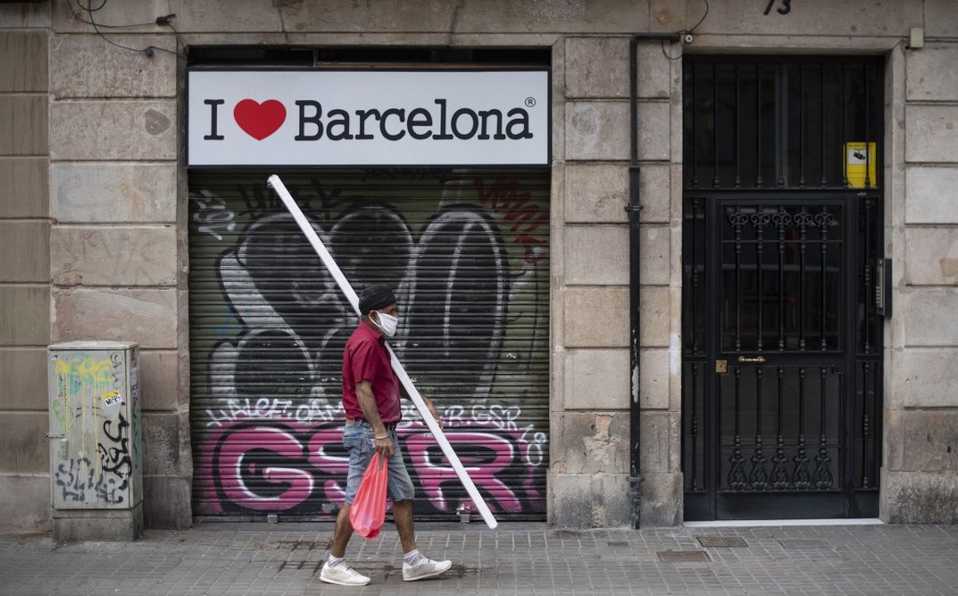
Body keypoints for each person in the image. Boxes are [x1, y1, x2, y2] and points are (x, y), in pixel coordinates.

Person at [320, 283, 453, 587]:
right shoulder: (365, 343)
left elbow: (392, 382)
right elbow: (363, 390)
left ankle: (413, 562)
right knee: (356, 499)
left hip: (383, 434)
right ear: (373, 314)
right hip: (368, 435)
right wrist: (379, 433)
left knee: (403, 493)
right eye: (391, 311)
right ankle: (334, 564)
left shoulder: (378, 342)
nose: (397, 316)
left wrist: (423, 402)